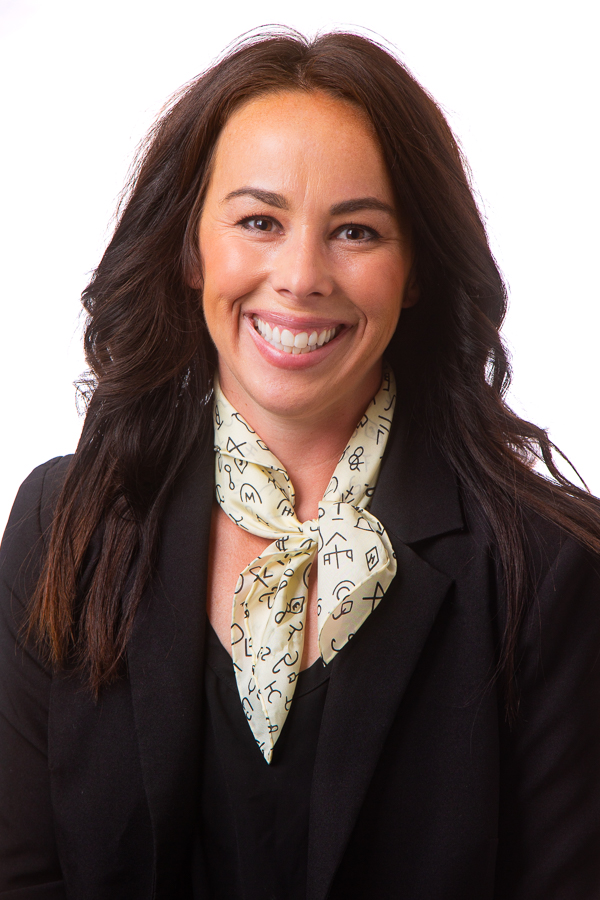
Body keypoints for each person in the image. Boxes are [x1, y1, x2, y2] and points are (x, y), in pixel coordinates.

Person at [1, 29, 600, 900]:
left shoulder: (545, 571)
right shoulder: (64, 523)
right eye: (258, 221)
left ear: (417, 269)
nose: (301, 275)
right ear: (189, 247)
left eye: (355, 230)